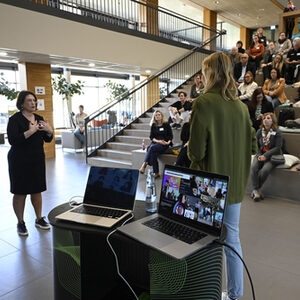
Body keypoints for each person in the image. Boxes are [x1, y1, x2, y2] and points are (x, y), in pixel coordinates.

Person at [188, 52, 257, 300]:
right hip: (236, 185)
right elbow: (253, 146)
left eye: (205, 70)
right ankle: (235, 295)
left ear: (212, 73)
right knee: (232, 240)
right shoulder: (241, 107)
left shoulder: (203, 102)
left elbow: (196, 151)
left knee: (205, 242)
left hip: (209, 186)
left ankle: (206, 292)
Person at [7, 91, 53, 236]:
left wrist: (49, 131)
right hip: (19, 160)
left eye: (34, 100)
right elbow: (13, 140)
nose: (33, 103)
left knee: (36, 190)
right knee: (20, 192)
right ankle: (20, 222)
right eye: (29, 101)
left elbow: (47, 139)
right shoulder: (15, 119)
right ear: (22, 103)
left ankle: (39, 218)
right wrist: (31, 131)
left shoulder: (39, 118)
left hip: (36, 159)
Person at [250, 113, 283, 201]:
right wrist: (260, 155)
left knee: (265, 170)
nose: (265, 120)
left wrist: (265, 156)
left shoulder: (277, 131)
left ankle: (255, 190)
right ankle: (257, 191)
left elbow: (278, 148)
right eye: (264, 118)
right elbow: (256, 145)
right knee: (253, 167)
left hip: (272, 156)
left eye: (268, 118)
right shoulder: (259, 131)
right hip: (260, 154)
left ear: (273, 121)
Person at [139, 110, 173, 178]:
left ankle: (145, 164)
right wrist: (158, 141)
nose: (157, 116)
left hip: (164, 143)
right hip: (156, 142)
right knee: (152, 150)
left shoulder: (166, 124)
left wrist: (168, 142)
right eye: (156, 115)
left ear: (162, 116)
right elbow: (151, 137)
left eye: (159, 115)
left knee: (151, 148)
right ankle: (156, 172)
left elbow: (171, 136)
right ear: (154, 117)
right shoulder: (153, 125)